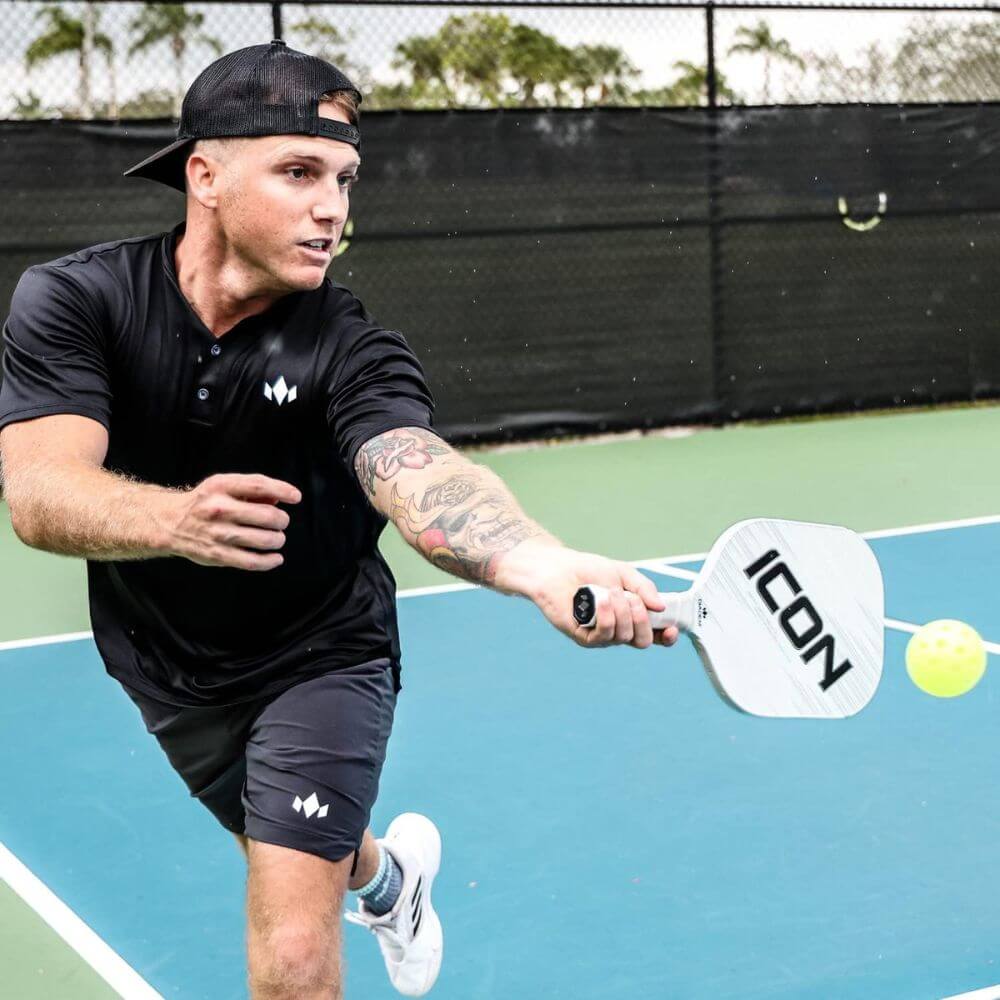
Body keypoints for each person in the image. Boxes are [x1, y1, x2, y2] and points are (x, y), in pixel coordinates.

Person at [0, 41, 677, 1000]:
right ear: (205, 175)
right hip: (165, 663)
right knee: (303, 840)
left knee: (291, 958)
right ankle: (390, 882)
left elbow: (413, 469)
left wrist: (535, 561)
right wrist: (177, 520)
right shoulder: (77, 300)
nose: (332, 207)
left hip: (321, 652)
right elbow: (37, 493)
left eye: (346, 180)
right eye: (300, 172)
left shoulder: (348, 345)